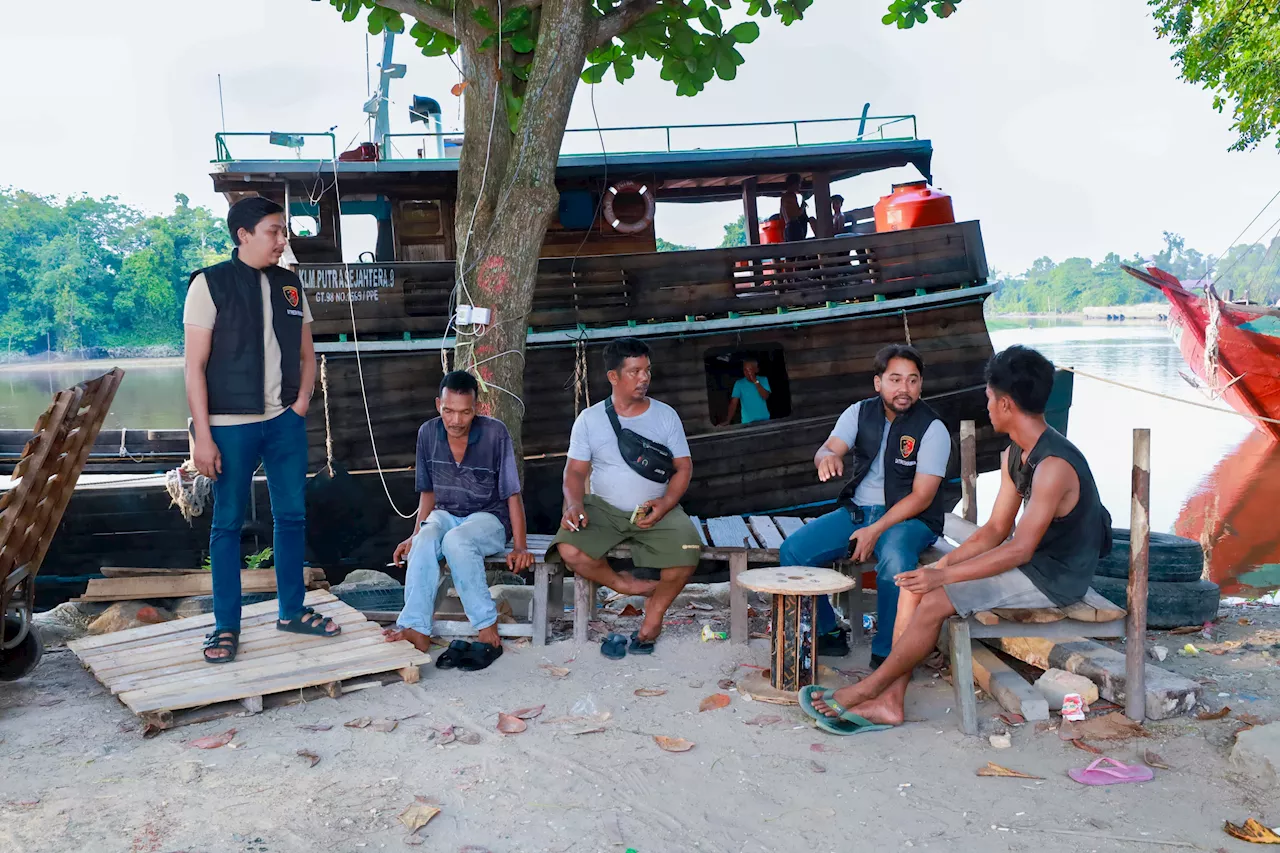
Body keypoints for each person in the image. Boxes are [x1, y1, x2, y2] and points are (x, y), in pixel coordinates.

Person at [801, 346, 1111, 733]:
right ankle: (890, 703)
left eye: (988, 396)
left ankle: (867, 690)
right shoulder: (1017, 451)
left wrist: (943, 579)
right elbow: (996, 530)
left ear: (1006, 403)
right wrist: (943, 565)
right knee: (915, 585)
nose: (986, 403)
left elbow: (1019, 548)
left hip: (1053, 578)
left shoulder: (1053, 466)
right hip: (1030, 563)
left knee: (932, 600)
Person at [184, 196, 334, 665]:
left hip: (283, 422)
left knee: (291, 518)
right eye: (273, 231)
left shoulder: (291, 285)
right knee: (226, 524)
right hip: (230, 426)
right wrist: (203, 437)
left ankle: (292, 610)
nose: (282, 239)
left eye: (283, 230)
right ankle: (225, 626)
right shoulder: (210, 284)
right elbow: (194, 367)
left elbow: (309, 355)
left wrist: (302, 403)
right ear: (243, 234)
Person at [779, 344, 957, 664]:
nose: (904, 388)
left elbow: (922, 497)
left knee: (895, 564)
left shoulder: (933, 428)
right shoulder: (859, 412)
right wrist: (828, 457)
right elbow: (828, 448)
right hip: (859, 511)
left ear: (921, 385)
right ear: (879, 383)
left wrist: (876, 529)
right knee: (793, 552)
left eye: (913, 380)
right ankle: (829, 632)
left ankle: (887, 652)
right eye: (895, 379)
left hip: (910, 518)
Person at [550, 337, 702, 657]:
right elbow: (575, 473)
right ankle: (625, 585)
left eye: (647, 371)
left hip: (657, 509)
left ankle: (654, 616)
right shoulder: (590, 420)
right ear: (614, 377)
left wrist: (665, 503)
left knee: (688, 549)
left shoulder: (665, 416)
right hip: (603, 510)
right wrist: (575, 504)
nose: (644, 378)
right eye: (635, 372)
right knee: (569, 548)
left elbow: (683, 468)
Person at [382, 370, 533, 671]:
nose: (455, 420)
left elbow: (513, 494)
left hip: (488, 520)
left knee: (456, 540)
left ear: (476, 408)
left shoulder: (494, 433)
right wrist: (414, 535)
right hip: (446, 515)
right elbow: (427, 494)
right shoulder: (427, 432)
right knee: (425, 540)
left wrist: (520, 545)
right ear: (439, 404)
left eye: (464, 412)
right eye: (449, 411)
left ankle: (485, 625)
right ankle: (416, 628)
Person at [722, 356, 771, 426]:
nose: (747, 373)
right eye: (745, 370)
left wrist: (755, 381)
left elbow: (765, 396)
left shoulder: (763, 380)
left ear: (756, 370)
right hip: (747, 423)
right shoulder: (739, 384)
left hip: (765, 421)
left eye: (750, 370)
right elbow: (733, 403)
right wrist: (728, 420)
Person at [780, 173, 810, 242]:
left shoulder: (783, 197)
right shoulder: (792, 196)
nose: (800, 186)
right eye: (799, 184)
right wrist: (803, 206)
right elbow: (797, 213)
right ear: (794, 184)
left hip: (787, 227)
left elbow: (781, 215)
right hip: (794, 227)